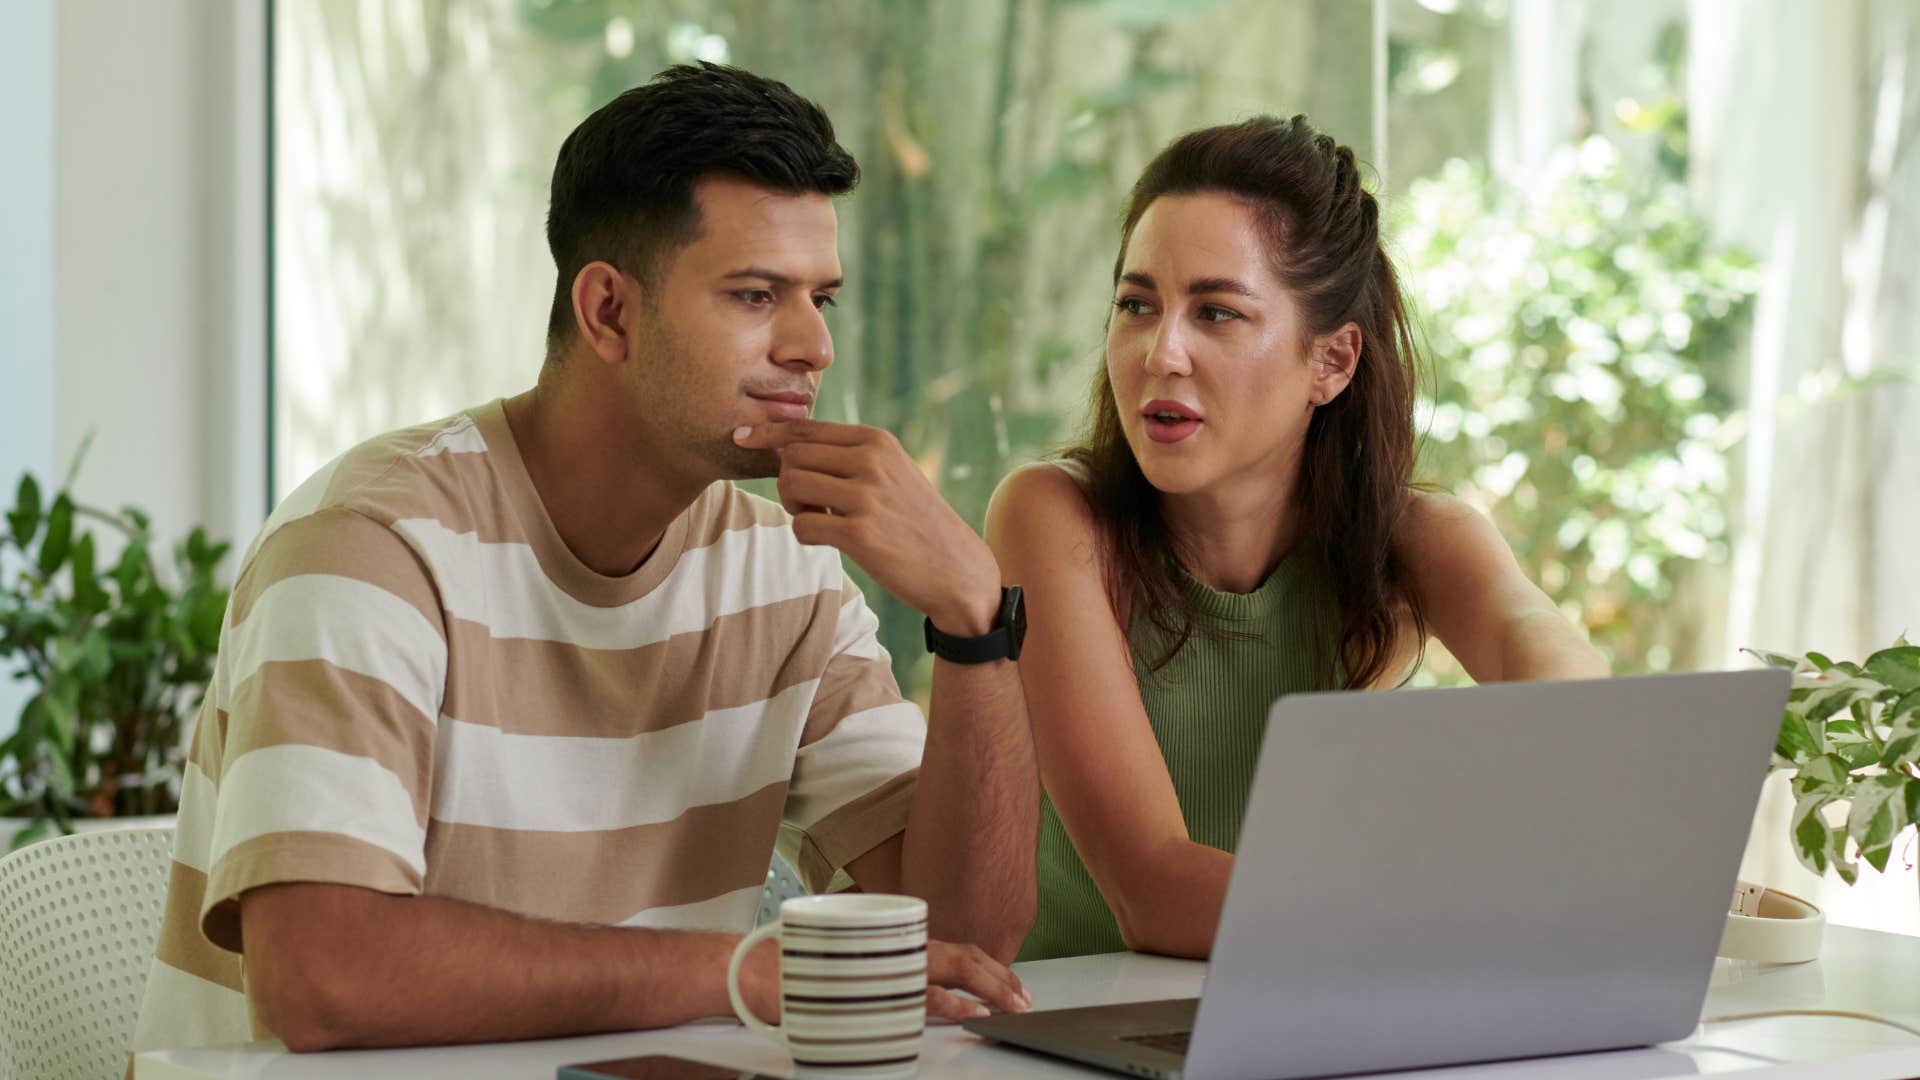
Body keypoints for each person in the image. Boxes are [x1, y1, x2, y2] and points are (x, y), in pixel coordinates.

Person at [131, 63, 1038, 1056]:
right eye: (753, 294)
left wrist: (973, 617)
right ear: (607, 311)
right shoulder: (372, 548)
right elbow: (324, 976)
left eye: (821, 297)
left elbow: (959, 951)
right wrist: (738, 974)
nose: (813, 343)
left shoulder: (785, 573)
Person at [984, 115, 1609, 962]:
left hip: (1301, 1001)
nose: (1162, 352)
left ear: (1334, 362)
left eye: (1217, 313)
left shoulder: (1412, 539)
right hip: (1067, 1030)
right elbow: (1153, 890)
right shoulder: (1052, 518)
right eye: (1138, 305)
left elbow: (1551, 660)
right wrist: (1449, 916)